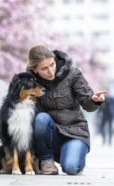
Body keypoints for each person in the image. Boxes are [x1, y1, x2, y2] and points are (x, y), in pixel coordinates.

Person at [26, 45, 106, 175]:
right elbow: (17, 107)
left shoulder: (72, 73)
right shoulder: (30, 83)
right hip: (51, 136)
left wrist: (94, 100)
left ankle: (72, 155)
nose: (50, 71)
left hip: (74, 132)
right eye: (44, 68)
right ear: (35, 70)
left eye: (52, 64)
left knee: (70, 167)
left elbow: (87, 103)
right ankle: (46, 160)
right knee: (41, 118)